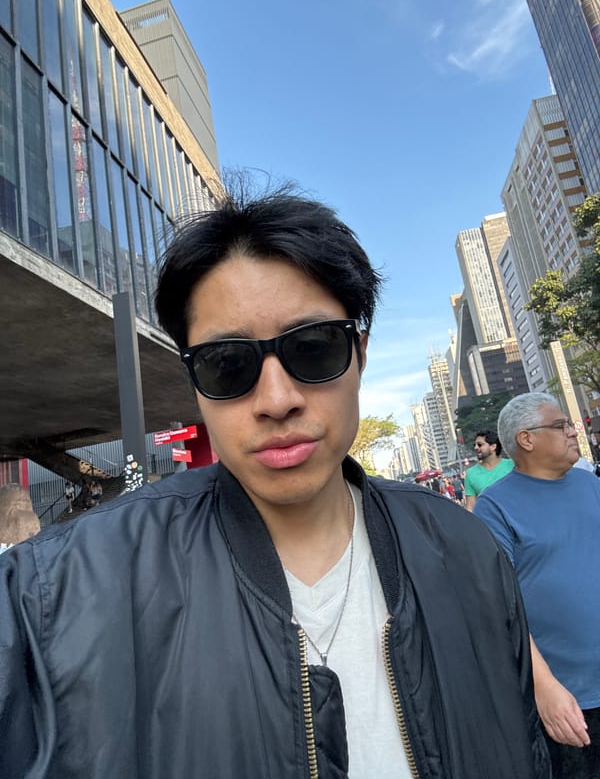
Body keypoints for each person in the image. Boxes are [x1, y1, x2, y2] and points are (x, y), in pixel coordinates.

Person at [0, 187, 550, 778]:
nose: (277, 399)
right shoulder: (52, 597)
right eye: (227, 364)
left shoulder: (465, 550)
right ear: (194, 384)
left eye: (312, 350)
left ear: (359, 357)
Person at [474, 391, 600, 779]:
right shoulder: (494, 506)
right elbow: (498, 605)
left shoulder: (589, 486)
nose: (572, 431)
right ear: (526, 439)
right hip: (570, 702)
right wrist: (544, 689)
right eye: (561, 425)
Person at [464, 429, 514, 510]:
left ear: (493, 446)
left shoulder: (512, 465)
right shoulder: (471, 474)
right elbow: (470, 507)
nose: (476, 448)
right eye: (475, 445)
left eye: (480, 445)